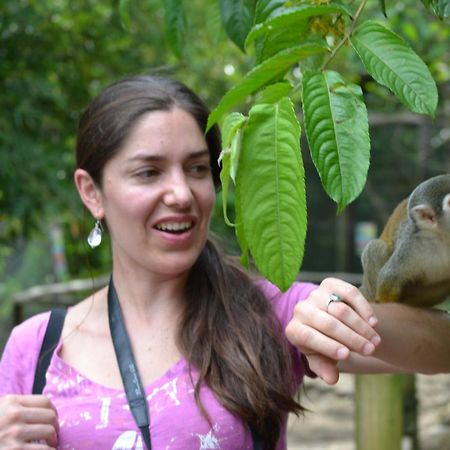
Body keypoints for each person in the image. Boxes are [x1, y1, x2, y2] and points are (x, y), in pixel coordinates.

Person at [0, 75, 449, 450]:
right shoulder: (37, 347)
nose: (181, 194)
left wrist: (339, 315)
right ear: (91, 192)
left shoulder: (268, 313)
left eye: (197, 169)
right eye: (149, 172)